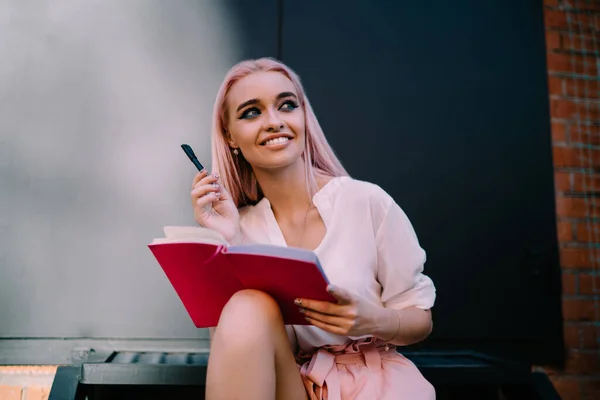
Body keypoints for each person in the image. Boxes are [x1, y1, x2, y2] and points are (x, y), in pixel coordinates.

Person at [190, 57, 437, 400]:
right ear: (230, 135)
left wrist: (372, 320)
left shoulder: (365, 202)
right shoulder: (243, 226)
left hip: (374, 386)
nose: (274, 122)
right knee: (246, 306)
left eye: (287, 105)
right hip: (296, 387)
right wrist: (229, 240)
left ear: (303, 116)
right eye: (251, 112)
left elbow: (421, 321)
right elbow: (232, 351)